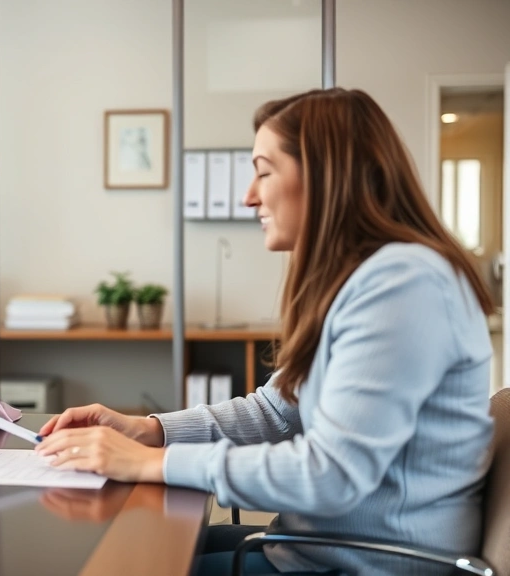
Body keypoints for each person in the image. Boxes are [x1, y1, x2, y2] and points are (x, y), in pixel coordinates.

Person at [36, 88, 494, 574]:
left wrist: (149, 462)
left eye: (264, 171)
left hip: (367, 564)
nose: (249, 195)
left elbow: (332, 474)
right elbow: (276, 411)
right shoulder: (364, 278)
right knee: (131, 545)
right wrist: (150, 431)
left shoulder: (404, 284)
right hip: (320, 547)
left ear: (323, 175)